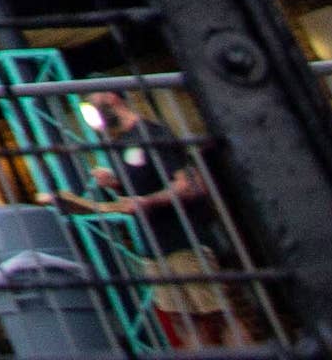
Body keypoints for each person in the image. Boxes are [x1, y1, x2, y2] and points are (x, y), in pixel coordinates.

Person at [70, 87, 238, 347]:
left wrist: (148, 201)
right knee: (181, 318)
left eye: (94, 104)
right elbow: (141, 188)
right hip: (153, 246)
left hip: (185, 240)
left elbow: (190, 184)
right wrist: (115, 184)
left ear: (111, 98)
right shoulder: (119, 144)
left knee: (215, 313)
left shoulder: (152, 133)